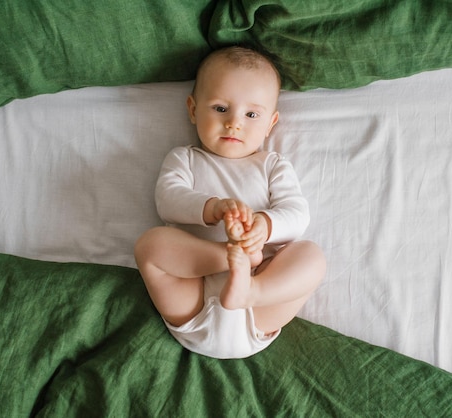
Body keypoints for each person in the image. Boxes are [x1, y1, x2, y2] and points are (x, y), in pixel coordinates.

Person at [134, 46, 326, 359]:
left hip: (257, 305)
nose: (234, 123)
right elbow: (167, 199)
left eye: (251, 114)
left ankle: (251, 288)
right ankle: (228, 256)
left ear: (271, 124)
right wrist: (212, 208)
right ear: (193, 110)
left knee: (311, 257)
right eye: (221, 108)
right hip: (191, 296)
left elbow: (297, 214)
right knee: (150, 245)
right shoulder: (185, 158)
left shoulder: (271, 165)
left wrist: (264, 226)